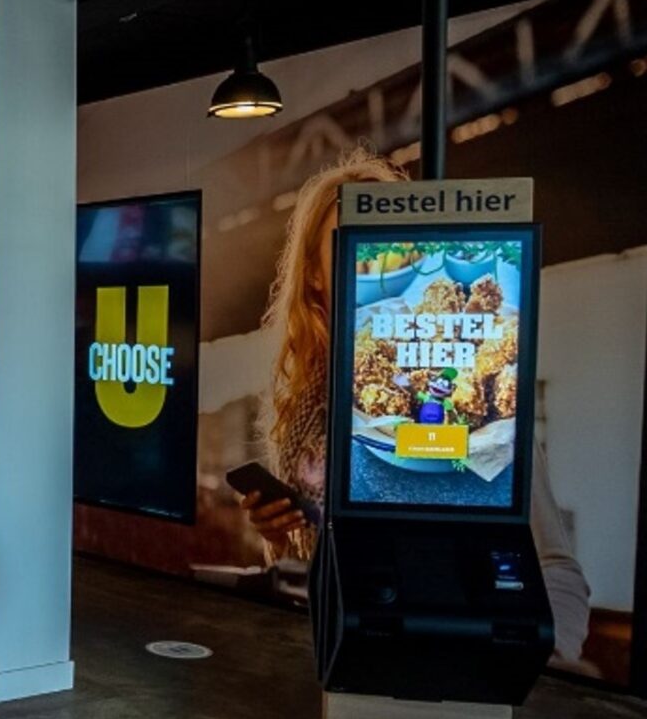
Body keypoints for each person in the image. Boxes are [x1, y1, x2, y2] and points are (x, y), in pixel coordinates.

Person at [241, 149, 591, 661]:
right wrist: (278, 529)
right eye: (349, 245)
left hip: (457, 657)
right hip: (341, 653)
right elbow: (312, 563)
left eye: (387, 246)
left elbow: (556, 565)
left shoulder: (476, 392)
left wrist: (546, 662)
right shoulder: (304, 404)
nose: (371, 261)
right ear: (313, 272)